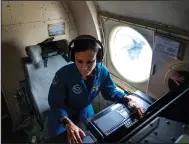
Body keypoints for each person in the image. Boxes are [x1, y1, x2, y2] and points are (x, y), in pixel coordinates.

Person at [48, 35, 145, 144]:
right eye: (79, 61)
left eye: (90, 62)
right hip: (62, 112)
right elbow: (55, 103)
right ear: (73, 57)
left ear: (98, 58)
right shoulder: (63, 74)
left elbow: (111, 92)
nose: (84, 68)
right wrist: (67, 123)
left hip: (84, 108)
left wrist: (129, 100)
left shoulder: (102, 71)